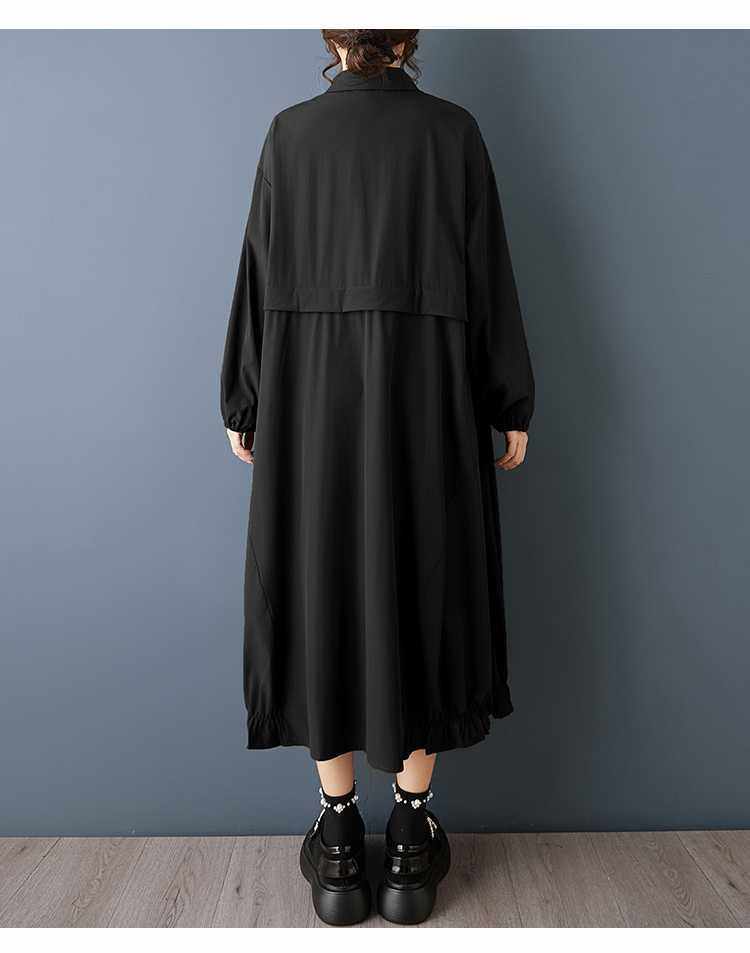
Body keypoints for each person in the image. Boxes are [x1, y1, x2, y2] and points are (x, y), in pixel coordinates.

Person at [220, 28, 534, 925]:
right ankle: (408, 837)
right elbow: (488, 278)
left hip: (311, 410)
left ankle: (336, 840)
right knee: (423, 588)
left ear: (333, 38)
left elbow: (258, 273)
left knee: (321, 589)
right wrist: (509, 400)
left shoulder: (289, 135)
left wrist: (245, 399)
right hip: (427, 404)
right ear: (407, 39)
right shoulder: (453, 134)